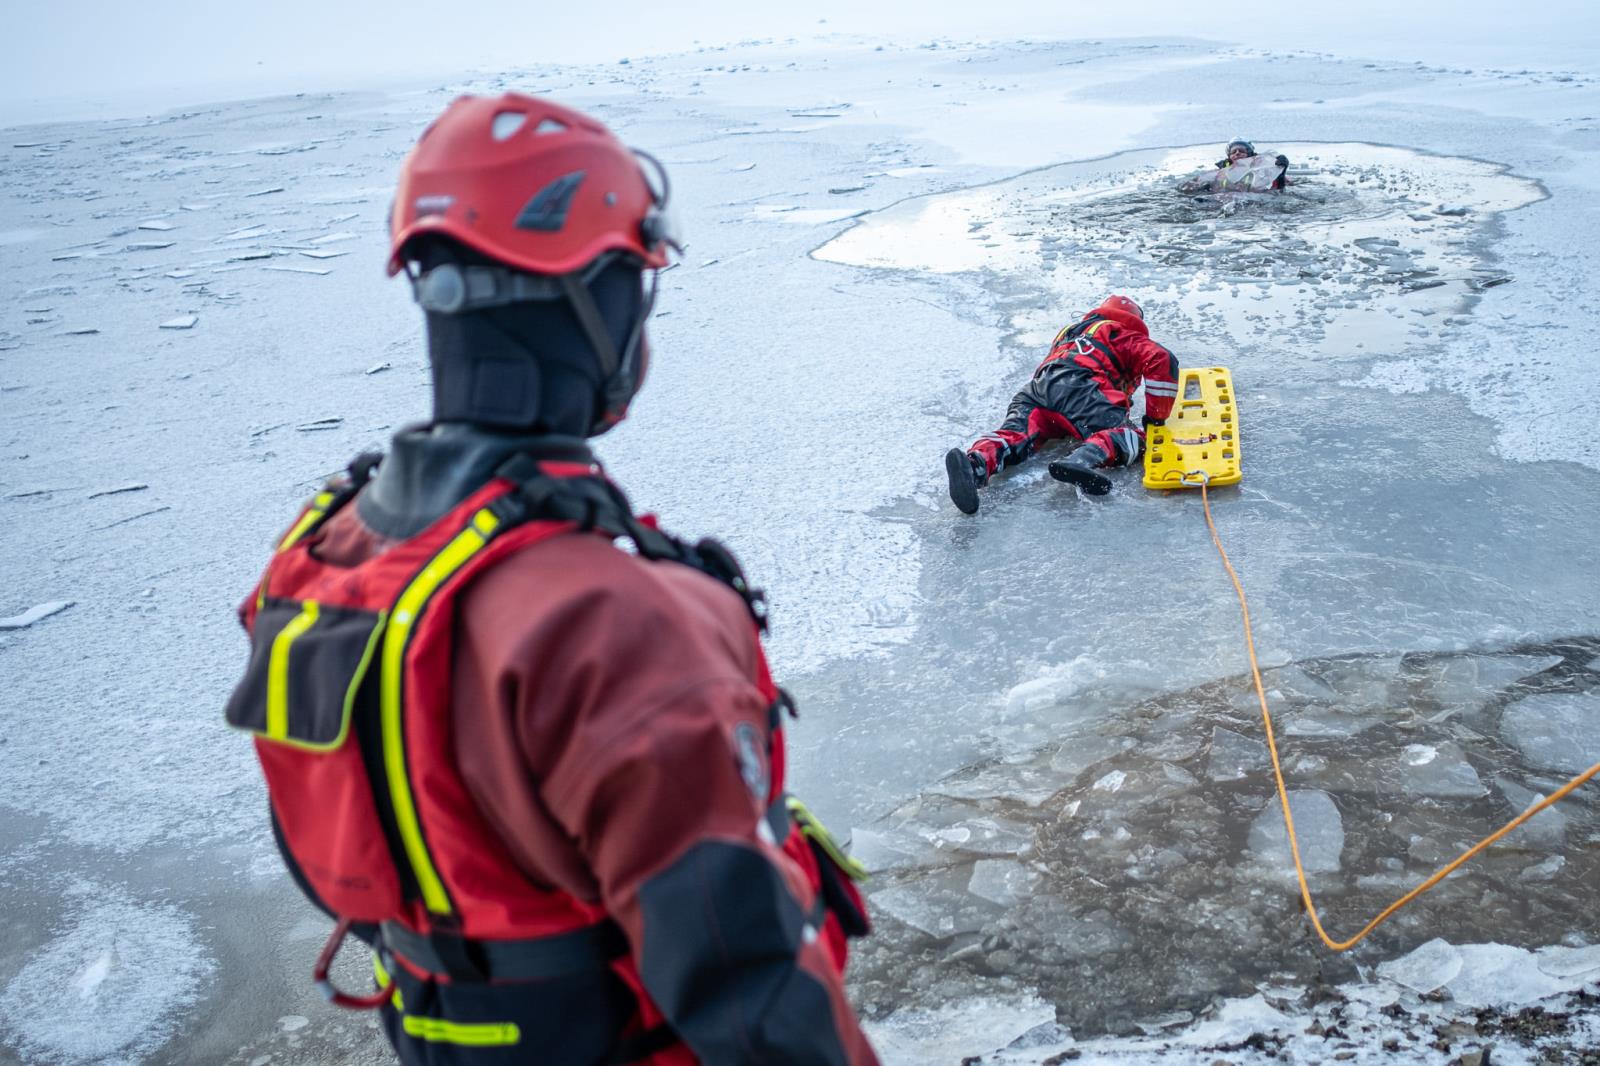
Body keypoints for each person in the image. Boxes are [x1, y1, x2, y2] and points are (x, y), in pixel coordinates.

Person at [223, 92, 878, 1066]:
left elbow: (346, 863)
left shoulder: (326, 559)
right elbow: (748, 987)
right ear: (597, 298)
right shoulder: (610, 622)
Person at [944, 295, 1179, 512]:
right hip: (1082, 391)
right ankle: (1081, 460)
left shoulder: (1069, 333)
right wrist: (1156, 417)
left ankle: (975, 463)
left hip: (1036, 392)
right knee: (1128, 435)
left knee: (1014, 435)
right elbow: (1162, 359)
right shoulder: (1119, 332)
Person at [1205, 138, 1291, 192]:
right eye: (1233, 151)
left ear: (1250, 154)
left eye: (1242, 150)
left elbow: (1279, 187)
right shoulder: (1221, 173)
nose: (1237, 153)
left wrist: (1281, 172)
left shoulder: (1262, 169)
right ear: (1229, 157)